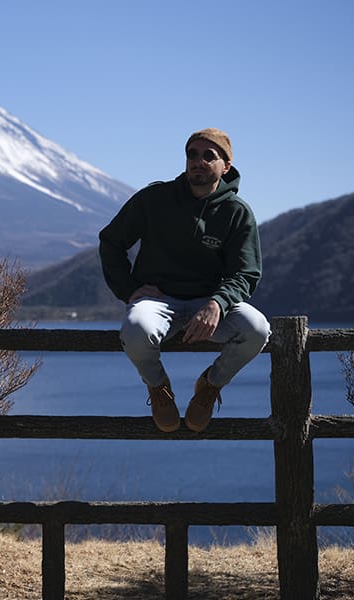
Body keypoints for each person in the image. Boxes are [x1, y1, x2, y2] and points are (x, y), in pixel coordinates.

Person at [98, 128, 270, 433]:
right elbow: (111, 242)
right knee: (136, 328)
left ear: (225, 166)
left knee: (257, 330)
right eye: (192, 154)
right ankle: (159, 388)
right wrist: (129, 290)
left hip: (211, 305)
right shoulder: (154, 199)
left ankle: (209, 386)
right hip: (158, 300)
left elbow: (246, 272)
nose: (198, 161)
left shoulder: (237, 213)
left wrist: (218, 303)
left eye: (209, 155)